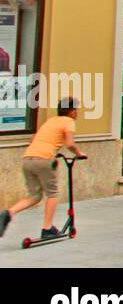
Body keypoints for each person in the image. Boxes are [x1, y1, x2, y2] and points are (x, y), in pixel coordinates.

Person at [0, 97, 87, 241]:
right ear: (72, 112)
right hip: (44, 159)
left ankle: (8, 213)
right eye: (76, 110)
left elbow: (33, 140)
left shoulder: (50, 121)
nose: (77, 113)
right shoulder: (68, 122)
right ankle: (47, 228)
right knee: (52, 194)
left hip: (28, 159)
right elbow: (70, 143)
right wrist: (79, 154)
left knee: (35, 196)